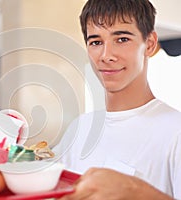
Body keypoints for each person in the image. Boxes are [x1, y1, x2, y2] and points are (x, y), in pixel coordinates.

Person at [55, 0, 181, 199]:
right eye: (96, 42)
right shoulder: (79, 130)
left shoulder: (175, 132)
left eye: (121, 39)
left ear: (149, 44)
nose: (106, 55)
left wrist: (135, 191)